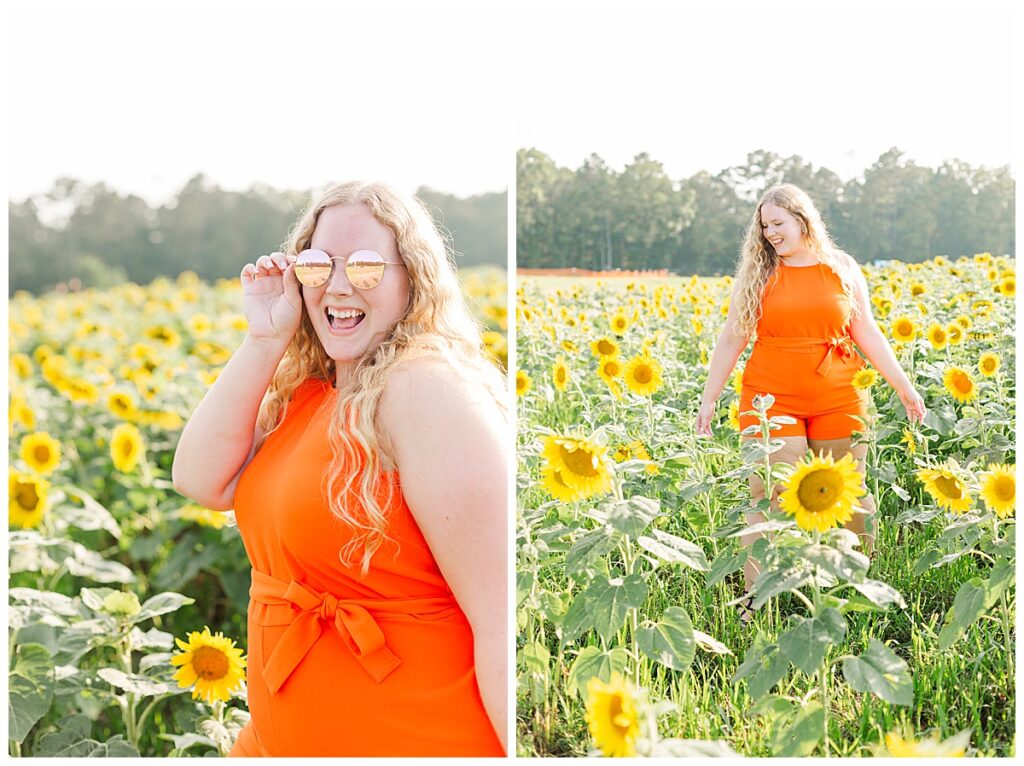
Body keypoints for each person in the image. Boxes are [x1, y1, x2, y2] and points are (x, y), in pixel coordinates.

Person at [172, 181, 507, 756]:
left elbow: (499, 619)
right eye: (318, 264)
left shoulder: (425, 389)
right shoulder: (309, 392)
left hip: (411, 738)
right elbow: (201, 480)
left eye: (368, 266)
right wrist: (264, 338)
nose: (340, 283)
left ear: (414, 279)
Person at [695, 183, 925, 620]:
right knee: (770, 493)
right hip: (769, 396)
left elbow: (866, 331)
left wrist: (903, 385)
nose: (770, 234)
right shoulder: (759, 272)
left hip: (839, 393)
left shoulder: (842, 267)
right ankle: (753, 602)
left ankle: (854, 590)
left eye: (778, 224)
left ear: (803, 220)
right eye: (764, 226)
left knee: (846, 493)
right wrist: (710, 397)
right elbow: (733, 336)